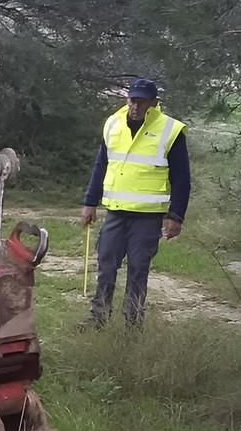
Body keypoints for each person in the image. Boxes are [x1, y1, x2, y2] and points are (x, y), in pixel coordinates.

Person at [78, 77, 190, 328]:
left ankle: (132, 323)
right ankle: (98, 318)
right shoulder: (113, 124)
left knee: (138, 270)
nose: (136, 106)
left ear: (153, 103)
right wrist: (89, 203)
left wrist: (176, 216)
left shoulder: (170, 130)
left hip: (148, 217)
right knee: (106, 266)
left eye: (142, 101)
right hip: (115, 213)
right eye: (133, 100)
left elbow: (182, 178)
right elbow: (101, 165)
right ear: (127, 99)